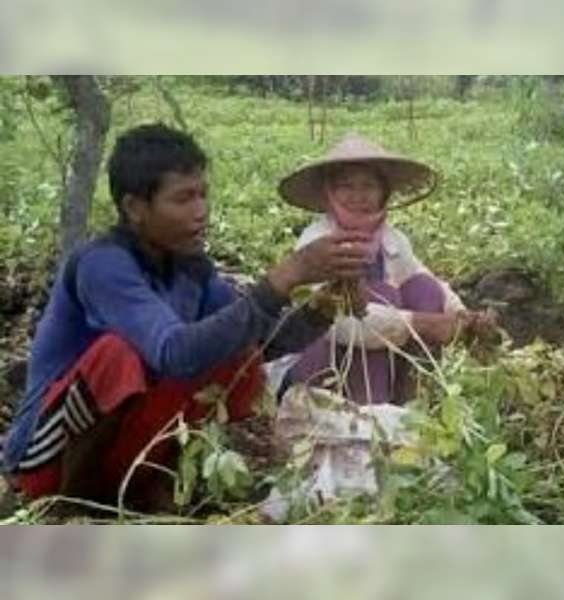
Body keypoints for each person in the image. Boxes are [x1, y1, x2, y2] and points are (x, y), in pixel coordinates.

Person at [0, 123, 371, 508]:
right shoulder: (103, 265)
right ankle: (70, 510)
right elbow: (173, 353)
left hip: (125, 462)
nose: (201, 212)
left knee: (233, 353)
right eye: (183, 199)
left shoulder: (191, 269)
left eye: (203, 195)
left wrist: (322, 310)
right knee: (118, 356)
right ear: (134, 208)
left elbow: (255, 345)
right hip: (46, 462)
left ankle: (149, 488)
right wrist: (285, 276)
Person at [267, 133, 495, 406]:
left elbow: (424, 278)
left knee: (422, 289)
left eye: (368, 186)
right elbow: (337, 322)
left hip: (381, 345)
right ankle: (370, 411)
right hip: (320, 364)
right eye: (345, 186)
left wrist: (461, 315)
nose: (358, 196)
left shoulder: (392, 239)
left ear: (383, 192)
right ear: (329, 192)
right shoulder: (317, 242)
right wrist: (420, 324)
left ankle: (410, 403)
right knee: (376, 297)